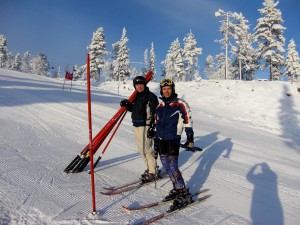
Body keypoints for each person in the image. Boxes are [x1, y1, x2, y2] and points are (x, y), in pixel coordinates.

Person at [153, 78, 194, 210]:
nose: (166, 91)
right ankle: (176, 188)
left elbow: (187, 119)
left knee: (173, 166)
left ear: (173, 89)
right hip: (161, 140)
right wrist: (154, 138)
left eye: (169, 89)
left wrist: (190, 137)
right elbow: (156, 124)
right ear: (161, 90)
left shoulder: (180, 104)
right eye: (164, 89)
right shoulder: (159, 107)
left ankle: (182, 192)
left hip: (173, 139)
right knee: (166, 165)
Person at [120, 76, 159, 183]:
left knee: (146, 148)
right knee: (140, 149)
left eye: (141, 84)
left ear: (145, 85)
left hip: (146, 125)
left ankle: (152, 171)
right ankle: (151, 168)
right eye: (137, 85)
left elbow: (156, 113)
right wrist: (127, 106)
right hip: (137, 125)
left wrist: (152, 126)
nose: (139, 87)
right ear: (135, 86)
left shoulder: (150, 96)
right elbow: (135, 109)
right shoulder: (135, 96)